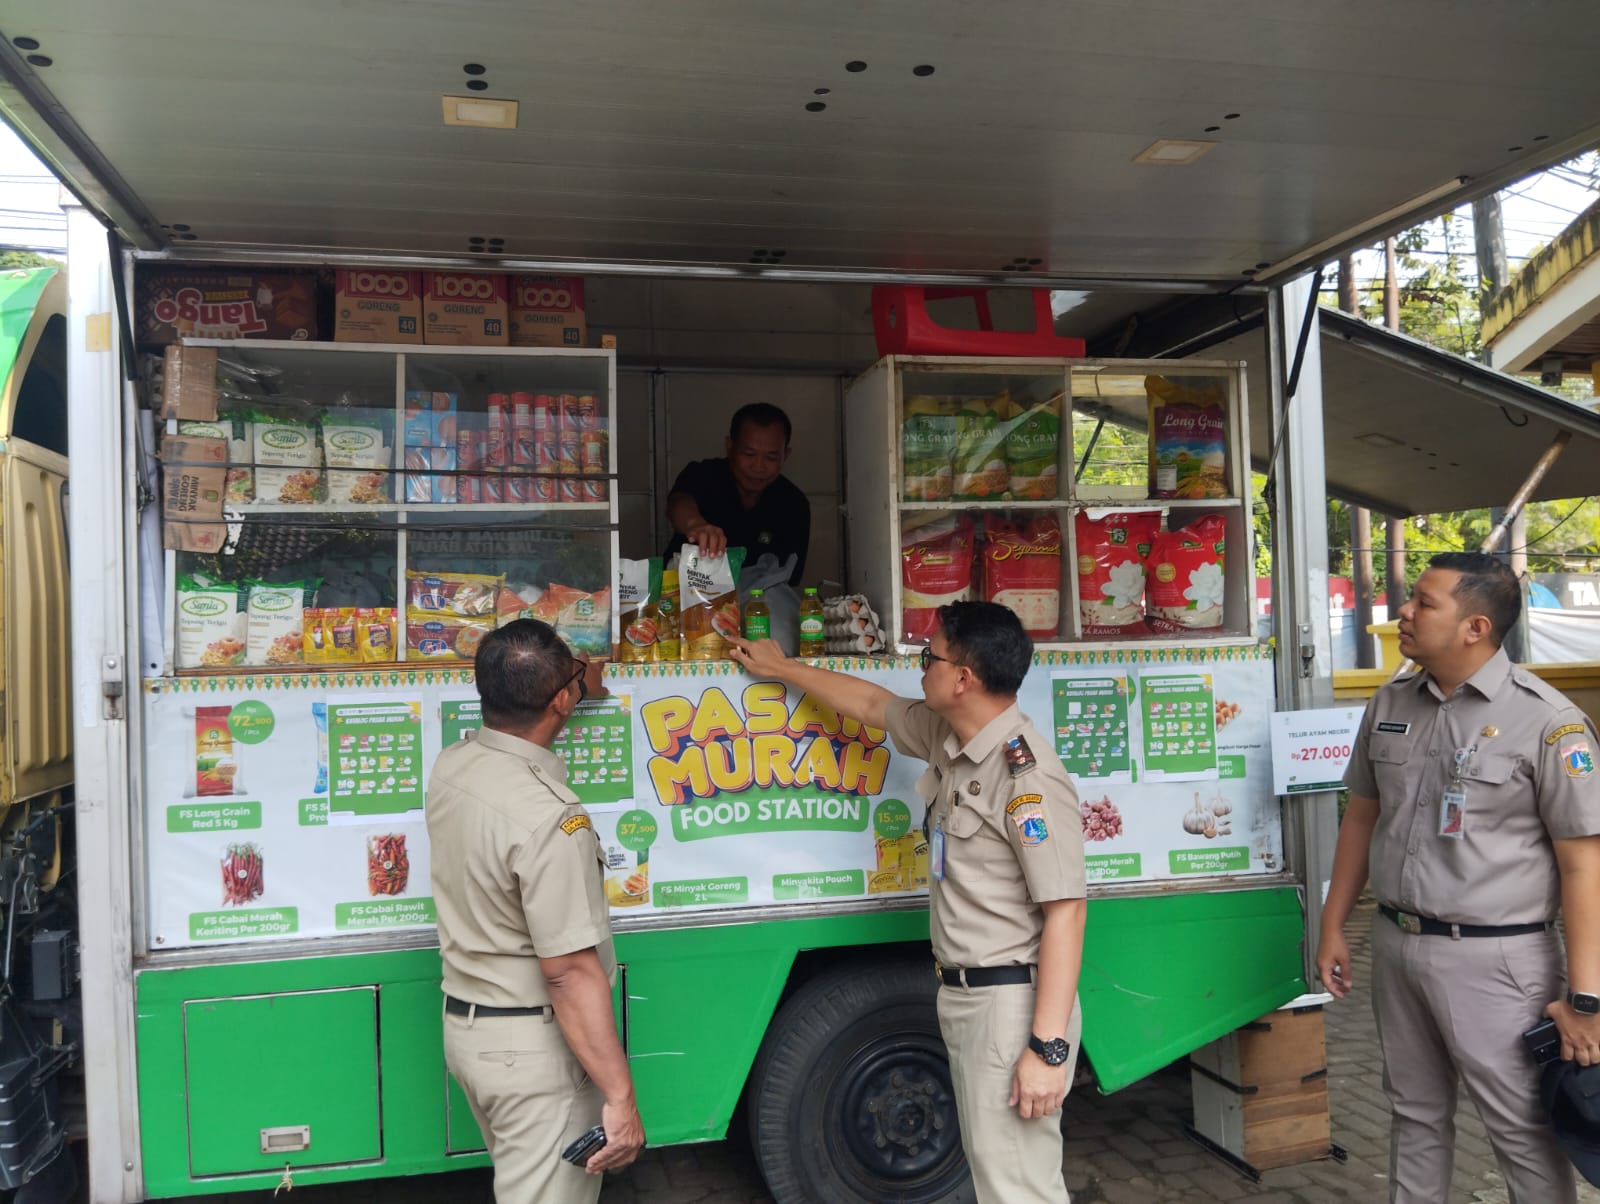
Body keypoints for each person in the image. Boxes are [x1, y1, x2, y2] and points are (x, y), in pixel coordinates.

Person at [730, 601, 1085, 1203]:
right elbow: (873, 705)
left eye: (930, 657)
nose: (921, 667)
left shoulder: (1026, 779)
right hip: (968, 997)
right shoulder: (953, 738)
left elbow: (1067, 911)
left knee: (1019, 1186)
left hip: (1009, 1006)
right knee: (997, 1175)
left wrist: (1047, 1048)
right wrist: (782, 668)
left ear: (963, 678)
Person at [1316, 552, 1600, 1204]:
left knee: (1521, 1130)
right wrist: (1333, 925)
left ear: (1475, 627)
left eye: (1424, 602)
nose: (1404, 612)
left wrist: (1587, 1000)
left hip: (1497, 959)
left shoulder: (1548, 722)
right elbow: (1361, 817)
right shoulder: (1392, 701)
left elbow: (1584, 864)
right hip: (1397, 941)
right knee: (1413, 1113)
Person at [427, 619, 644, 1203]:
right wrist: (621, 1098)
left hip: (471, 1034)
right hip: (534, 1055)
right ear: (561, 701)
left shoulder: (453, 764)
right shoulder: (552, 819)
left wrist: (575, 682)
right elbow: (568, 973)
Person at [665, 402, 810, 585]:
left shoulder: (793, 503)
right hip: (688, 596)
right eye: (749, 454)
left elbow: (789, 577)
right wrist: (695, 524)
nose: (758, 466)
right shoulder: (704, 475)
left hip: (758, 601)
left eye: (771, 458)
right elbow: (678, 503)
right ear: (730, 446)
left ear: (785, 455)